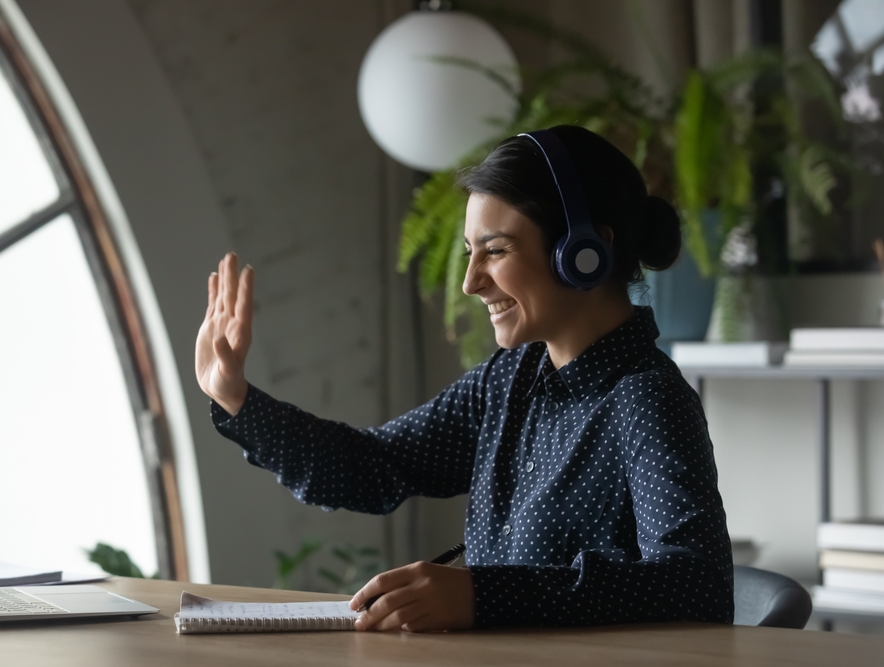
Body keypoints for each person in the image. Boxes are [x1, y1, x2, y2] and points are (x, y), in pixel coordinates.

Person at [195, 125, 735, 633]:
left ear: (585, 253)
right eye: (469, 254)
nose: (471, 282)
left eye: (495, 250)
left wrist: (483, 596)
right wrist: (236, 398)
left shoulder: (646, 398)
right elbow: (372, 467)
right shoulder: (510, 379)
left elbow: (697, 586)